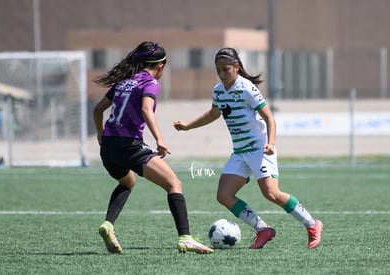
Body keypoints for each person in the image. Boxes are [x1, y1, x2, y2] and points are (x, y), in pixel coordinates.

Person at [174, 47, 323, 249]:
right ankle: (263, 230)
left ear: (236, 67)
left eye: (225, 69)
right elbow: (213, 114)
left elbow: (269, 118)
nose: (222, 74)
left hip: (259, 149)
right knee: (224, 195)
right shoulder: (218, 91)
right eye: (218, 70)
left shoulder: (247, 88)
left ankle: (312, 224)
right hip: (240, 151)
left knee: (271, 193)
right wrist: (188, 126)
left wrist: (271, 143)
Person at [93, 41, 213, 254]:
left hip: (109, 146)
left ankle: (108, 225)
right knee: (174, 183)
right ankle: (185, 238)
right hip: (129, 145)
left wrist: (100, 133)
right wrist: (160, 139)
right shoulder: (149, 83)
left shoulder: (124, 81)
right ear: (161, 66)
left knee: (127, 182)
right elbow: (147, 110)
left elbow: (97, 109)